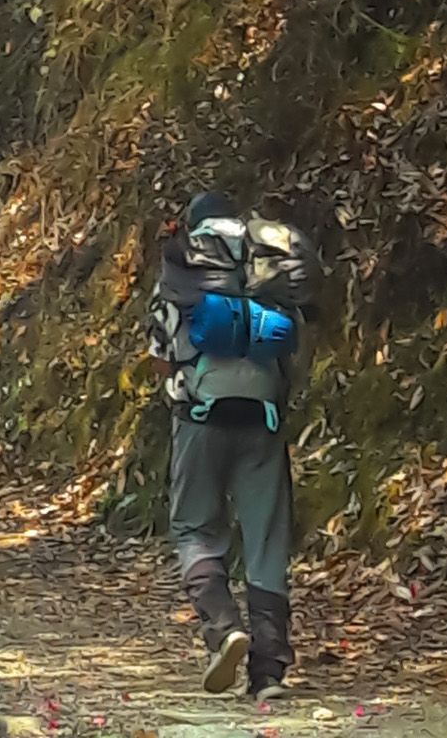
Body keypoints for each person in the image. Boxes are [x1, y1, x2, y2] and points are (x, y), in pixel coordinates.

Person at [147, 192, 312, 700]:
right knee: (266, 543)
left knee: (194, 527)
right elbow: (295, 354)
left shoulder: (182, 272)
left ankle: (223, 629)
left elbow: (159, 352)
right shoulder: (267, 273)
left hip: (199, 417)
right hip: (262, 419)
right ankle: (269, 674)